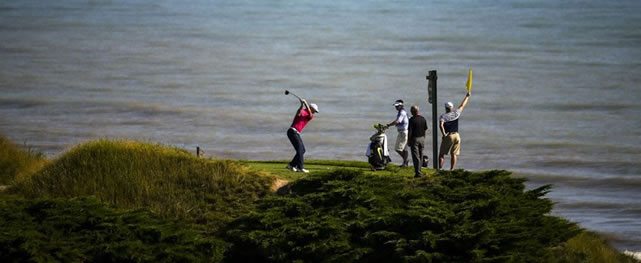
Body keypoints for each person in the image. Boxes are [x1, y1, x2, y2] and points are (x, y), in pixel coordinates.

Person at [439, 91, 471, 170]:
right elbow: (462, 105)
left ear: (445, 108)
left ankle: (439, 169)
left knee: (441, 154)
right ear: (452, 107)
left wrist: (443, 134)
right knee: (454, 154)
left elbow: (441, 125)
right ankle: (452, 170)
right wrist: (467, 96)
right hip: (457, 135)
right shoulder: (456, 113)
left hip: (449, 135)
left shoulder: (443, 116)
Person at [287, 98, 319, 173]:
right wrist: (302, 104)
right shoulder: (302, 111)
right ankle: (300, 167)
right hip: (292, 131)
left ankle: (291, 165)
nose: (314, 112)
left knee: (302, 150)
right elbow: (298, 112)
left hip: (296, 133)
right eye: (314, 110)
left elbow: (310, 114)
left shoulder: (309, 115)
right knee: (300, 150)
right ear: (311, 108)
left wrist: (305, 103)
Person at [386, 99, 409, 167]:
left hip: (403, 133)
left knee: (398, 149)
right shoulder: (402, 112)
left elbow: (397, 121)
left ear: (401, 106)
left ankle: (406, 160)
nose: (396, 107)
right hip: (403, 132)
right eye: (395, 106)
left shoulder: (402, 112)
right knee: (404, 149)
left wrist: (389, 125)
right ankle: (405, 163)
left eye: (397, 106)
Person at [408, 105, 428, 177]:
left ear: (413, 112)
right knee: (421, 155)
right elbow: (425, 129)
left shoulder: (411, 120)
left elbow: (410, 131)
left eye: (411, 111)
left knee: (416, 156)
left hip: (415, 139)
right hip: (422, 138)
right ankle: (420, 171)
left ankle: (418, 173)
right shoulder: (423, 119)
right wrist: (424, 138)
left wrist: (409, 140)